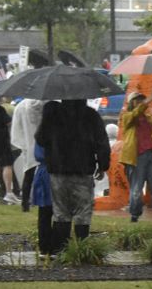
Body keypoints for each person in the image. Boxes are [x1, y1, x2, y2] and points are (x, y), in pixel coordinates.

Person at [35, 99, 110, 246]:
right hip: (83, 169)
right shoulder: (91, 115)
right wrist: (102, 165)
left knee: (61, 211)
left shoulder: (53, 115)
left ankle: (61, 248)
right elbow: (102, 142)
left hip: (58, 170)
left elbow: (41, 139)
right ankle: (81, 247)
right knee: (83, 211)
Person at [120, 92, 152, 223]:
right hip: (137, 157)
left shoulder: (148, 115)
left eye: (142, 100)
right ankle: (135, 214)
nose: (141, 102)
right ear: (132, 102)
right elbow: (134, 114)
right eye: (137, 100)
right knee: (136, 189)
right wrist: (147, 102)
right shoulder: (127, 116)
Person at [10, 97, 43, 211]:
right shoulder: (47, 104)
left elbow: (16, 127)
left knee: (28, 175)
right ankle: (42, 201)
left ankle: (25, 203)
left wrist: (23, 144)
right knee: (46, 175)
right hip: (44, 145)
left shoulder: (20, 106)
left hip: (28, 145)